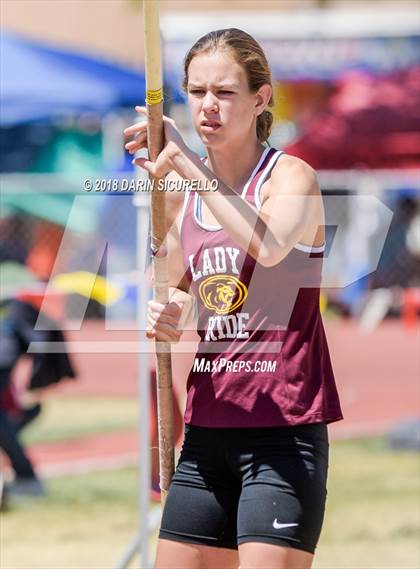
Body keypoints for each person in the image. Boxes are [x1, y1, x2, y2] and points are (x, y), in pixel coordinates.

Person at [125, 28, 343, 569]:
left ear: (261, 98)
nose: (208, 106)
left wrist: (189, 168)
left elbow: (267, 244)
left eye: (224, 92)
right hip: (207, 431)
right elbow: (169, 293)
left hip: (282, 435)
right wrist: (166, 313)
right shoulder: (185, 205)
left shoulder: (291, 178)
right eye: (197, 92)